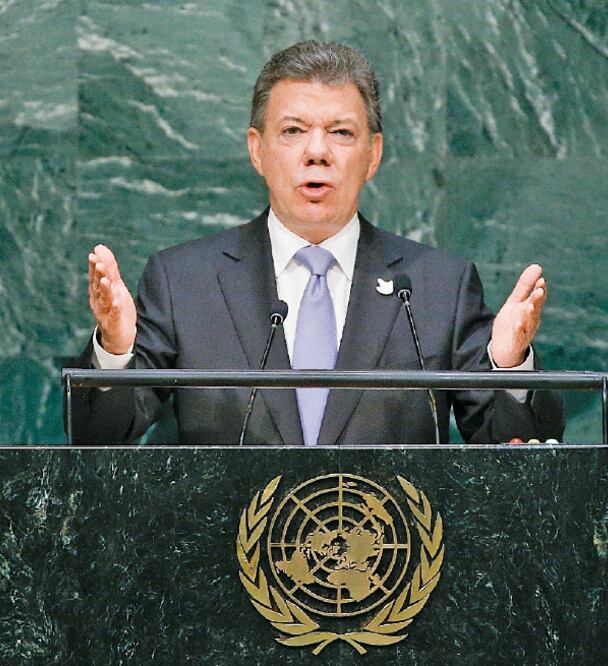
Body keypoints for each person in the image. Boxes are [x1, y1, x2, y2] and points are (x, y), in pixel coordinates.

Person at [68, 41, 564, 445]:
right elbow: (98, 435)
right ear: (257, 151)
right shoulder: (184, 281)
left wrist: (512, 368)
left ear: (373, 154)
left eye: (341, 132)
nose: (317, 152)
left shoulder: (438, 286)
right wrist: (114, 352)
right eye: (293, 131)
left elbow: (517, 453)